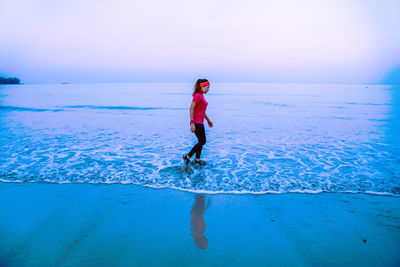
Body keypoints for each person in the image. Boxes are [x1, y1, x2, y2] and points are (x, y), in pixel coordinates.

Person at [183, 79, 213, 166]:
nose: (208, 89)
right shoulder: (197, 96)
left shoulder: (201, 96)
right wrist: (192, 123)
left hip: (200, 122)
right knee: (202, 141)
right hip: (196, 122)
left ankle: (197, 160)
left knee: (201, 141)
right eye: (207, 87)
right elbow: (191, 108)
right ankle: (187, 157)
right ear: (201, 87)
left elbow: (202, 111)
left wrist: (208, 120)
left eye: (208, 87)